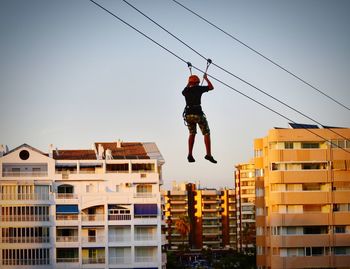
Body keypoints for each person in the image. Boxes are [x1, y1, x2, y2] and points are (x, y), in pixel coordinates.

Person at [182, 73, 217, 163]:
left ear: (189, 83)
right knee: (206, 133)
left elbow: (184, 90)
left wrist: (189, 83)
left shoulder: (186, 91)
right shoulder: (198, 88)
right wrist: (206, 78)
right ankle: (208, 154)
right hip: (197, 115)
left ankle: (190, 154)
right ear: (197, 82)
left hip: (188, 116)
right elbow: (211, 87)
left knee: (192, 133)